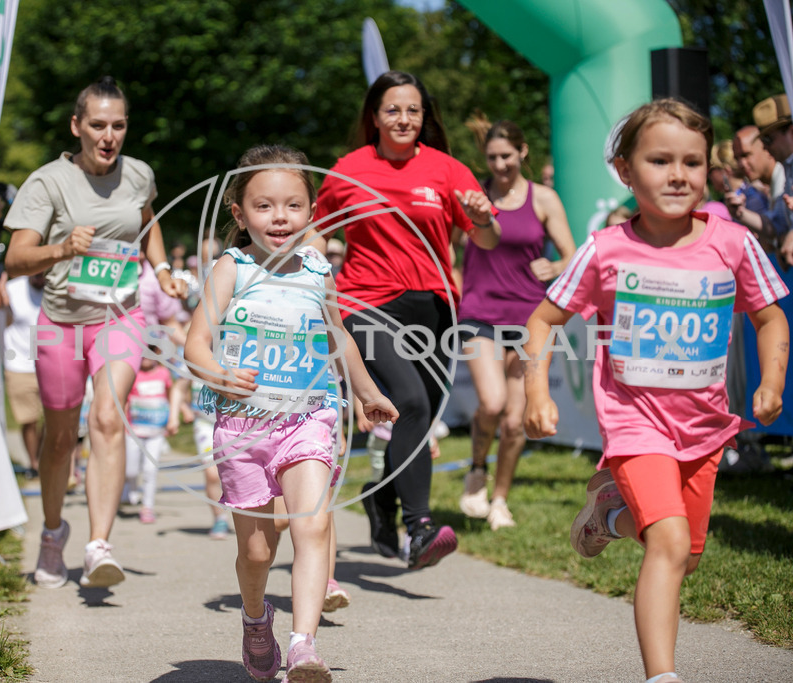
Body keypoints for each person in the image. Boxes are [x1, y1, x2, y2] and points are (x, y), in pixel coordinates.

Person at [523, 99, 789, 683]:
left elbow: (770, 318)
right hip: (633, 422)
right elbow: (542, 321)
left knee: (684, 558)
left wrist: (771, 382)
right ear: (624, 169)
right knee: (667, 543)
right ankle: (661, 677)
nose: (677, 175)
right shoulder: (604, 250)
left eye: (692, 163)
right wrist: (536, 393)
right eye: (660, 160)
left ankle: (605, 519)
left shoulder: (732, 243)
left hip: (705, 425)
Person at [185, 144, 397, 682]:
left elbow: (338, 336)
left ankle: (305, 646)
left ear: (310, 212)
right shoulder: (231, 270)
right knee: (256, 552)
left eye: (293, 206)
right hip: (243, 428)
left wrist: (368, 391)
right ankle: (257, 619)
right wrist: (218, 372)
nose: (280, 218)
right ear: (239, 214)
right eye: (264, 206)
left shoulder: (316, 270)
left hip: (308, 416)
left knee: (313, 523)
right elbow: (196, 344)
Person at [312, 70, 500, 569]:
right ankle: (418, 527)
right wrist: (311, 282)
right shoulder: (348, 170)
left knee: (419, 419)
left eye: (413, 110)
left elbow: (487, 240)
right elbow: (316, 232)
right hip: (365, 302)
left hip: (434, 309)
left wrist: (482, 216)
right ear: (374, 117)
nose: (403, 118)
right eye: (392, 109)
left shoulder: (447, 169)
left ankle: (380, 496)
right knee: (409, 403)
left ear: (424, 117)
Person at [3, 76, 184, 589]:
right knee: (60, 438)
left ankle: (98, 545)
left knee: (107, 417)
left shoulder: (138, 174)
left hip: (120, 315)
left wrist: (161, 270)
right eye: (98, 125)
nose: (109, 136)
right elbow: (14, 259)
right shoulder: (48, 182)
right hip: (60, 321)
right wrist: (61, 248)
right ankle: (54, 533)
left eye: (119, 126)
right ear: (76, 126)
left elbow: (148, 223)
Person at [457, 119, 576, 530]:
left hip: (529, 316)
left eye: (506, 155)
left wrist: (556, 265)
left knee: (514, 420)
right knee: (491, 404)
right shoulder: (476, 199)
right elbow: (454, 251)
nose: (500, 164)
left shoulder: (543, 198)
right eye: (492, 157)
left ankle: (500, 499)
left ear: (523, 153)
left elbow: (570, 254)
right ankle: (476, 469)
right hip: (479, 312)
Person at [123, 352, 174, 524]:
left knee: (150, 470)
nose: (146, 356)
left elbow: (170, 396)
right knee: (130, 470)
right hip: (133, 430)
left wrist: (172, 418)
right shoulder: (132, 374)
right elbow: (125, 401)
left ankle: (147, 507)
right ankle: (129, 489)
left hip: (156, 432)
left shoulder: (164, 373)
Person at [3, 271, 45, 478]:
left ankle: (44, 457)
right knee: (28, 419)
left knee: (53, 417)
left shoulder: (55, 288)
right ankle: (34, 463)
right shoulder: (12, 289)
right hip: (18, 363)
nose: (39, 277)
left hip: (50, 364)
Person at [753, 94, 793, 266]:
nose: (765, 147)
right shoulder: (787, 168)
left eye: (769, 139)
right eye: (763, 141)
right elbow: (777, 222)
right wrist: (739, 213)